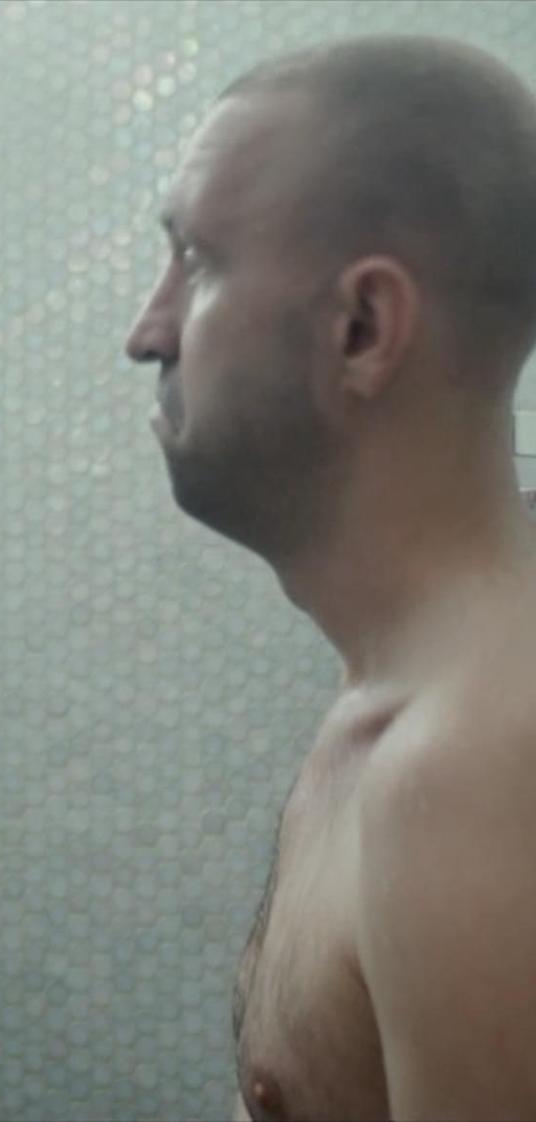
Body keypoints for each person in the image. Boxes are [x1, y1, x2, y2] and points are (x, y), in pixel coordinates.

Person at [124, 35, 536, 1122]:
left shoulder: (474, 773)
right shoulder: (406, 699)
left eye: (197, 262)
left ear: (362, 328)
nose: (146, 332)